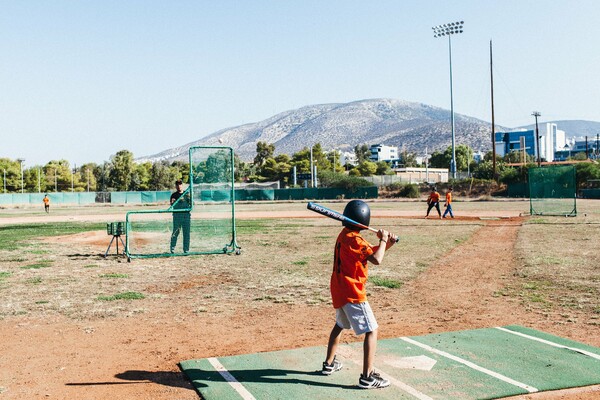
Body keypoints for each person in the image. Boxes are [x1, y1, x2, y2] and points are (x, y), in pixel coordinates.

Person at [321, 199, 397, 389]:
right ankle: (367, 377)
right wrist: (383, 239)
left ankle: (329, 364)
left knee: (340, 324)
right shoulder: (356, 239)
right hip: (352, 291)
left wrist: (387, 244)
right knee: (372, 330)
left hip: (339, 289)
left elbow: (369, 254)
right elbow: (377, 260)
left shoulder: (345, 235)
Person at [170, 179, 191, 253]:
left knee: (186, 234)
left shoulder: (187, 194)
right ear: (175, 186)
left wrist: (190, 200)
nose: (179, 186)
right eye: (177, 184)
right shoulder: (174, 195)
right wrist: (175, 202)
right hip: (177, 216)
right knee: (175, 232)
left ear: (182, 185)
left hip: (186, 216)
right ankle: (172, 248)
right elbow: (172, 205)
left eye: (180, 184)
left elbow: (191, 204)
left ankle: (186, 249)